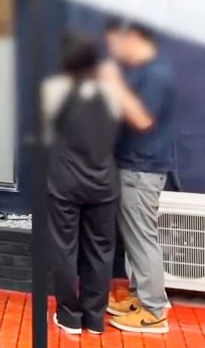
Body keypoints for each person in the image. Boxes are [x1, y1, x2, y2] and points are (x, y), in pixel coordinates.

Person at [44, 35, 123, 336]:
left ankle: (69, 316)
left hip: (64, 183)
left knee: (64, 249)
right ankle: (95, 318)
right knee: (101, 251)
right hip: (103, 183)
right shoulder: (111, 91)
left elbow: (47, 130)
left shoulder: (54, 89)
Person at [103, 22, 176, 335]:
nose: (113, 50)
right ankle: (139, 298)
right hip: (134, 165)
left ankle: (154, 311)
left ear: (131, 37)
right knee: (135, 237)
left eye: (115, 43)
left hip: (142, 168)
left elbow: (142, 119)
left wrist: (115, 85)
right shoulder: (145, 71)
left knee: (143, 239)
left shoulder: (157, 74)